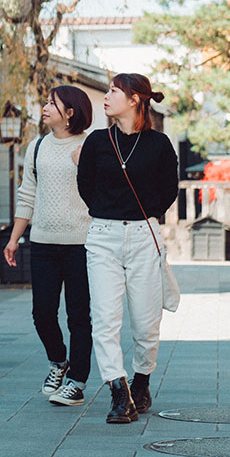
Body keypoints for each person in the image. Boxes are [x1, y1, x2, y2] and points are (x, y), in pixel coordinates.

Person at [76, 73, 178, 424]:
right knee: (104, 318)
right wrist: (107, 211)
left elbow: (168, 190)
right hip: (102, 235)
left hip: (143, 234)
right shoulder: (97, 142)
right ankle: (119, 391)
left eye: (114, 91)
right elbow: (85, 186)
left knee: (146, 322)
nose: (106, 96)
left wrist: (143, 214)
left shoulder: (159, 144)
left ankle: (142, 380)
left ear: (135, 99)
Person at [3, 85, 95, 407]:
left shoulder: (90, 145)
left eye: (51, 103)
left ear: (70, 112)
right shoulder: (37, 146)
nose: (44, 107)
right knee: (42, 313)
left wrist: (86, 165)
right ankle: (58, 361)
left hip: (81, 244)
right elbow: (27, 194)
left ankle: (77, 381)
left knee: (79, 316)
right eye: (45, 102)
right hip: (42, 242)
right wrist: (14, 238)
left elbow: (102, 190)